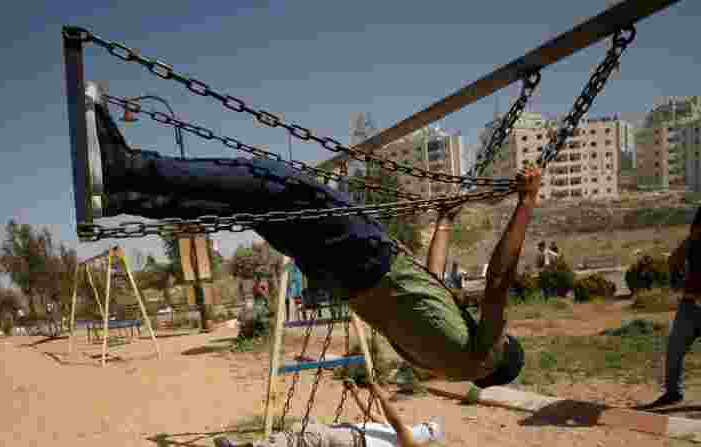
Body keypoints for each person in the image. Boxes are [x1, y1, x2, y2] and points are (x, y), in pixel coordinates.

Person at [81, 82, 537, 388]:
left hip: (367, 257)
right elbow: (431, 285)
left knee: (269, 182)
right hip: (341, 280)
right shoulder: (438, 362)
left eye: (500, 338)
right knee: (253, 204)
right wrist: (444, 223)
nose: (494, 333)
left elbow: (498, 280)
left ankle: (128, 169)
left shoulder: (482, 351)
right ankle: (126, 198)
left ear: (499, 355)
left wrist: (527, 202)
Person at [215, 382, 443, 447]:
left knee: (302, 438)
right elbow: (372, 415)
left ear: (428, 438)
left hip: (353, 443)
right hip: (351, 434)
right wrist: (355, 393)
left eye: (427, 428)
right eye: (426, 424)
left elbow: (394, 420)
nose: (423, 426)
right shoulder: (405, 436)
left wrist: (378, 392)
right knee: (301, 428)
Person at [639, 207, 701, 409]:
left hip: (691, 303)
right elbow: (674, 258)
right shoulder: (692, 242)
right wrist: (678, 277)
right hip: (690, 304)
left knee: (674, 349)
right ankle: (673, 392)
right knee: (674, 349)